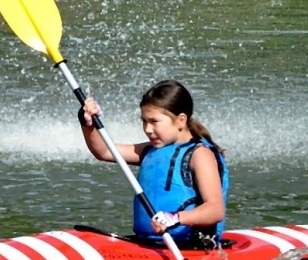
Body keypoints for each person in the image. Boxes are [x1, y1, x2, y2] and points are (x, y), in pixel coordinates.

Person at [79, 80, 227, 248]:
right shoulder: (150, 151)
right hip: (150, 243)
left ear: (180, 120)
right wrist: (88, 122)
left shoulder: (200, 155)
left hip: (191, 247)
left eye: (154, 121)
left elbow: (215, 210)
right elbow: (104, 151)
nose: (148, 129)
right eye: (144, 121)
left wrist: (175, 218)